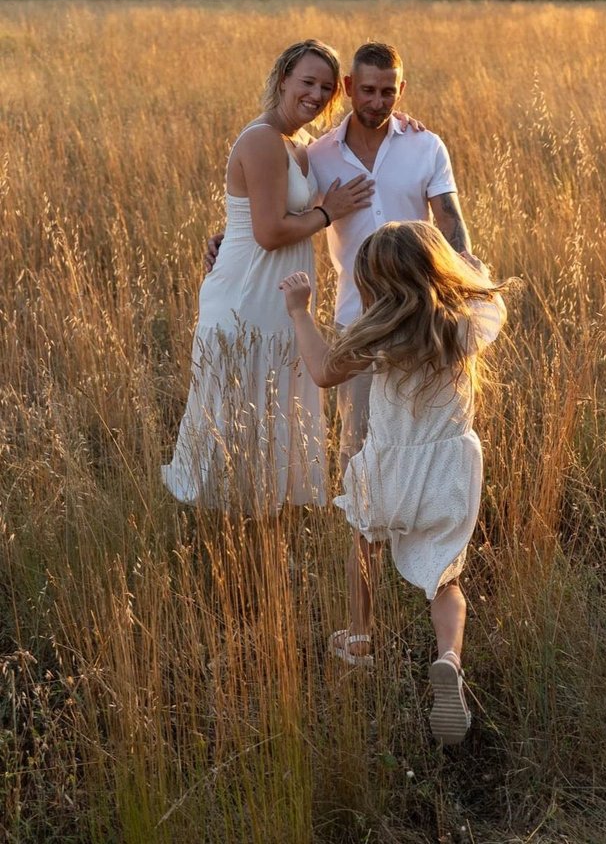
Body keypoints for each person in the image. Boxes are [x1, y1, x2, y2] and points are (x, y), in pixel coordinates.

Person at [280, 221, 507, 745]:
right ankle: (448, 656)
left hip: (389, 469)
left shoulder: (380, 335)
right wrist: (465, 268)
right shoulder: (466, 321)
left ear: (375, 286)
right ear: (438, 268)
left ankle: (360, 635)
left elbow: (321, 370)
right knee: (446, 581)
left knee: (365, 539)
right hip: (450, 472)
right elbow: (481, 282)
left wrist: (299, 310)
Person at [207, 41, 472, 476]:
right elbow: (275, 209)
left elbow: (451, 225)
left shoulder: (426, 146)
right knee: (360, 448)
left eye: (388, 92)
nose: (377, 102)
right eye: (367, 90)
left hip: (426, 317)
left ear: (401, 90)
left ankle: (420, 535)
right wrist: (227, 238)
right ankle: (361, 546)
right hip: (359, 318)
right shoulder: (318, 153)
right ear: (349, 87)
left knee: (432, 444)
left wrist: (464, 293)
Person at [161, 39, 374, 515]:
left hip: (278, 298)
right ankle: (220, 539)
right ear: (282, 79)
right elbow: (270, 230)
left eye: (325, 87)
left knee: (270, 411)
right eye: (307, 82)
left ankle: (261, 527)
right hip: (245, 297)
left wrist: (404, 124)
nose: (316, 94)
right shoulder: (260, 139)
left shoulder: (299, 145)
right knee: (236, 414)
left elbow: (258, 214)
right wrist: (327, 212)